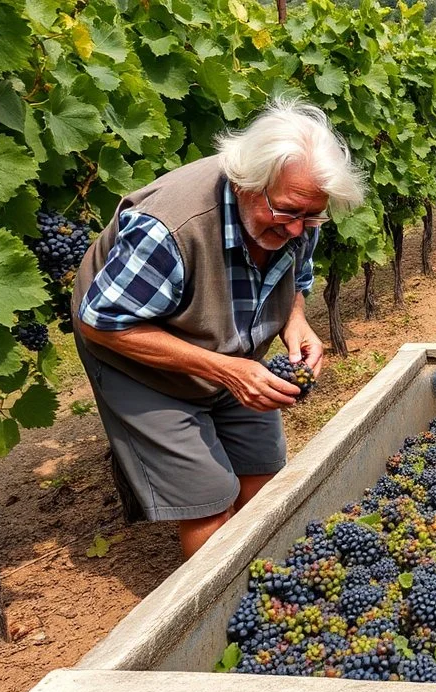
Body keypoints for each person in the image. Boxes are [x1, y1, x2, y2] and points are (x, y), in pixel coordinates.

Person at [71, 99, 365, 558]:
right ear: (248, 184)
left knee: (263, 475)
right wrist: (226, 370)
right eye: (288, 214)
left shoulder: (300, 212)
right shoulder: (169, 226)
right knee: (208, 501)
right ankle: (217, 616)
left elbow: (295, 279)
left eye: (311, 218)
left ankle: (262, 583)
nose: (296, 230)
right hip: (137, 351)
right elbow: (103, 324)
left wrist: (296, 321)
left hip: (229, 343)